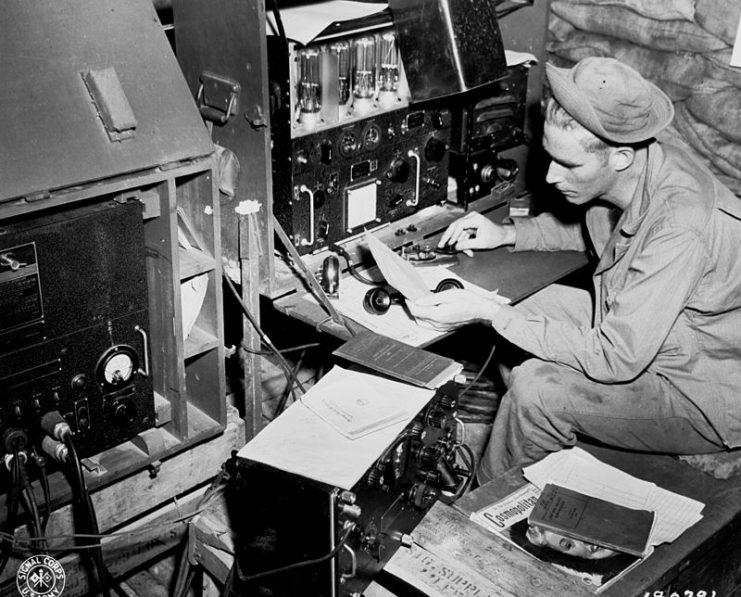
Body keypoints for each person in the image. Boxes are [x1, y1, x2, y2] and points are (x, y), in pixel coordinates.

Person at [407, 57, 741, 485]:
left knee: (535, 390)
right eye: (551, 157)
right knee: (516, 303)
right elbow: (603, 226)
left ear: (619, 157)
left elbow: (615, 357)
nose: (550, 175)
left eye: (569, 165)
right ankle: (540, 451)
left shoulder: (680, 224)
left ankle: (481, 507)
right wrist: (507, 233)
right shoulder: (641, 166)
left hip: (700, 387)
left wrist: (487, 313)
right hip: (650, 334)